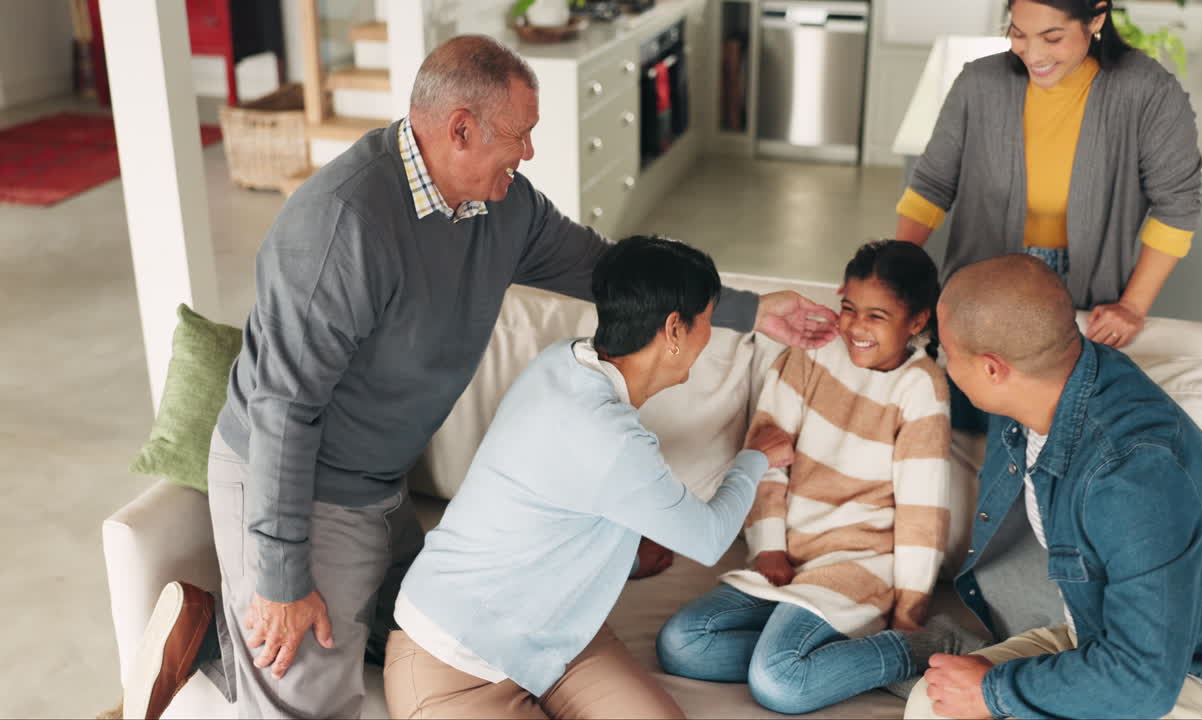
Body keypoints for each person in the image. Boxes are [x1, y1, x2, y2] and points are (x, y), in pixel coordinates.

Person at [121, 35, 838, 720]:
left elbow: (612, 273)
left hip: (377, 483)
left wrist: (749, 309)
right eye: (520, 134)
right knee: (303, 695)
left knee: (418, 628)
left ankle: (220, 630)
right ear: (460, 129)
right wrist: (279, 579)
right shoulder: (342, 226)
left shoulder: (504, 207)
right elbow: (283, 408)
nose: (530, 152)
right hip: (297, 478)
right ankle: (229, 636)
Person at [382, 235, 796, 719]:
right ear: (674, 329)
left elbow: (560, 492)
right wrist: (755, 458)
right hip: (453, 662)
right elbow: (707, 538)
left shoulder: (562, 359)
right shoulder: (611, 438)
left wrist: (626, 556)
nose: (709, 334)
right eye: (706, 319)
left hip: (560, 640)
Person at [906, 254, 1202, 719]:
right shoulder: (1049, 377)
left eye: (945, 351)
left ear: (992, 369)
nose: (943, 362)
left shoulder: (1130, 474)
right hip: (1099, 636)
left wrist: (992, 692)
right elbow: (955, 398)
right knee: (934, 704)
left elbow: (1143, 681)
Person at [656, 240, 954, 715]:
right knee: (681, 644)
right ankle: (831, 659)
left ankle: (918, 649)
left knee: (779, 684)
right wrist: (769, 546)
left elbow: (924, 511)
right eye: (849, 309)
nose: (856, 326)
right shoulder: (814, 351)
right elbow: (765, 453)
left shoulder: (921, 387)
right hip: (791, 563)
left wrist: (909, 614)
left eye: (876, 316)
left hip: (859, 567)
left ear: (916, 322)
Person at [896, 0, 1202, 350]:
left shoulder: (1149, 92)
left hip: (1085, 293)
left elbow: (1177, 205)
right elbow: (932, 186)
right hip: (979, 285)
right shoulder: (978, 83)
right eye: (1018, 34)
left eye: (1052, 38)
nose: (1033, 54)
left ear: (1097, 18)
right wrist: (893, 275)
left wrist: (1133, 305)